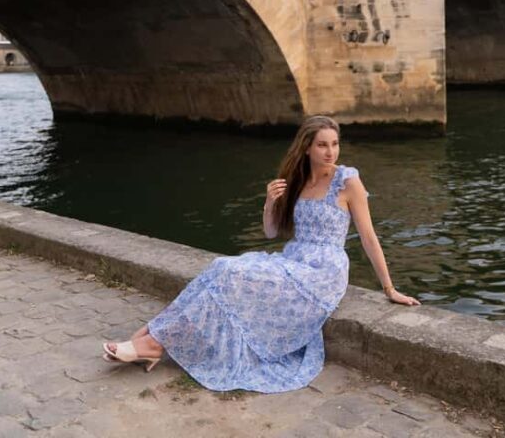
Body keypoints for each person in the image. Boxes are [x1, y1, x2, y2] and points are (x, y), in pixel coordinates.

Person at [102, 115, 419, 393]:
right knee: (221, 266)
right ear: (307, 147)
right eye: (322, 145)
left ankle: (153, 343)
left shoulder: (347, 180)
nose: (330, 152)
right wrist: (269, 202)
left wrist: (389, 289)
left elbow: (368, 236)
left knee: (231, 274)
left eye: (335, 144)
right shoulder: (297, 180)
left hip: (323, 271)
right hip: (292, 259)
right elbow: (271, 232)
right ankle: (153, 339)